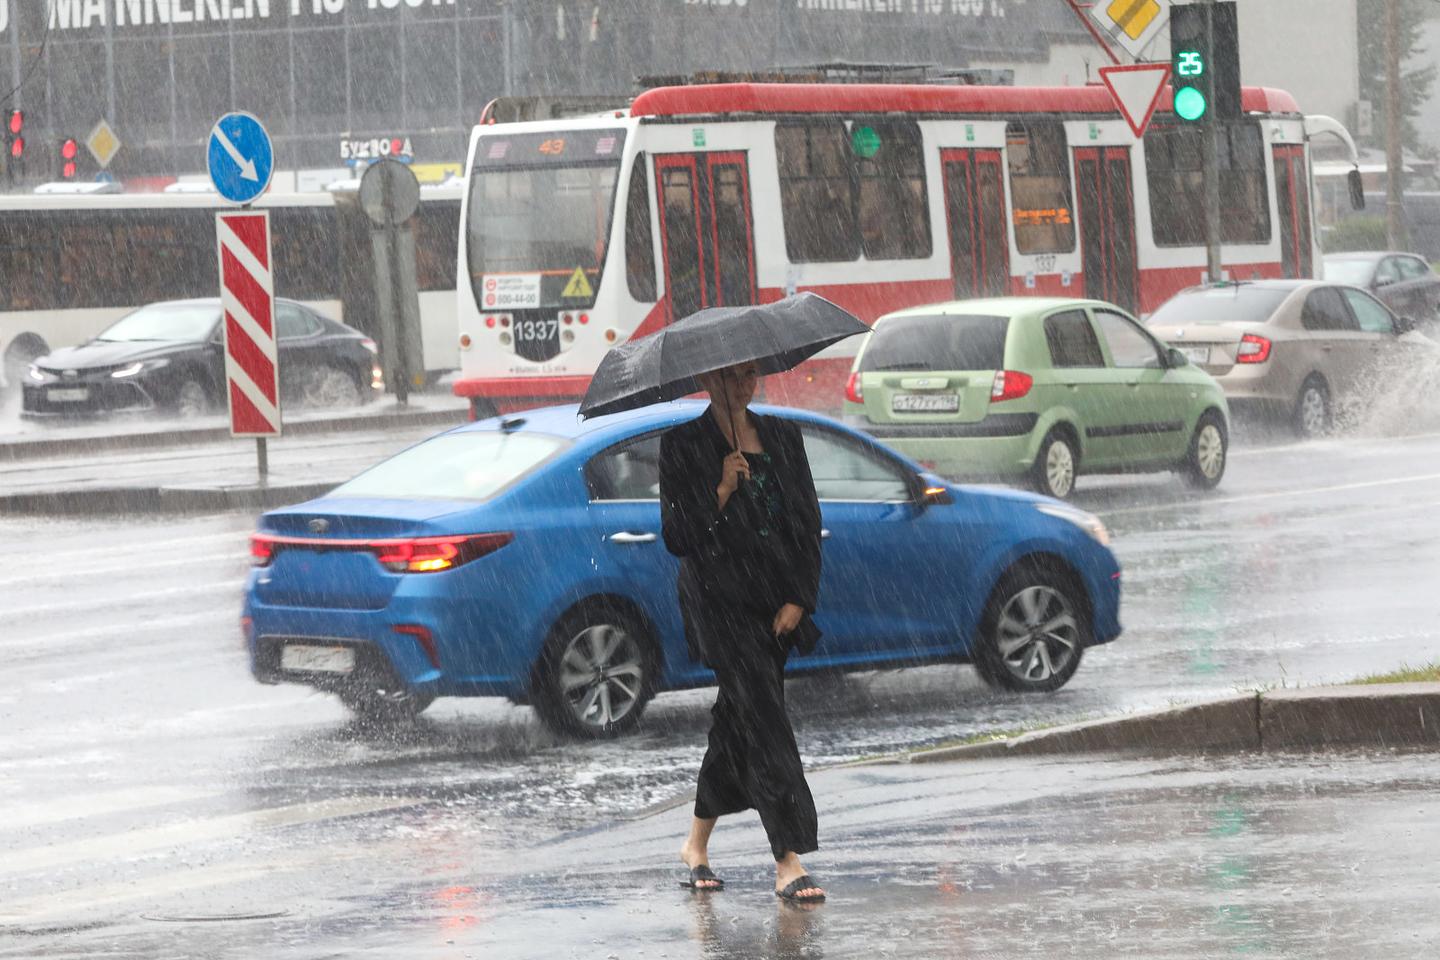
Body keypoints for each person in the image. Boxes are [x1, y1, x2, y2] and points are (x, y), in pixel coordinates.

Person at [658, 360, 827, 904]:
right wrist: (722, 490)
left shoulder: (782, 435)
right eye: (730, 377)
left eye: (749, 374)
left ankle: (695, 845)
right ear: (708, 382)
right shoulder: (683, 444)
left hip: (774, 603)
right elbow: (678, 536)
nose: (742, 385)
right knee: (765, 719)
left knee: (739, 721)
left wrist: (799, 598)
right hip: (719, 606)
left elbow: (806, 518)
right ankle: (788, 859)